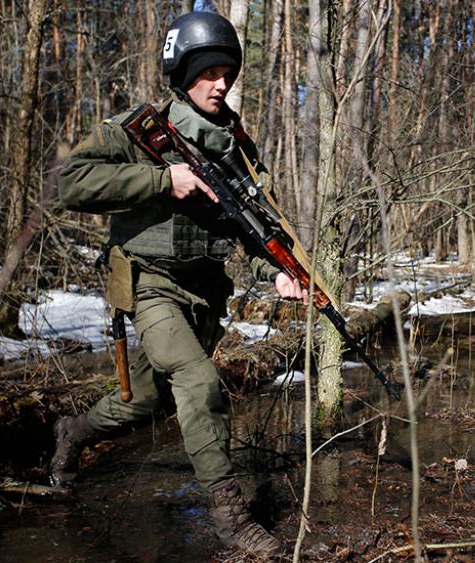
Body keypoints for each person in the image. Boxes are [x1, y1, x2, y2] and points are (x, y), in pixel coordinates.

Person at [52, 11, 303, 558]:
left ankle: (73, 433)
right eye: (209, 71)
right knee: (199, 381)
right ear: (183, 72)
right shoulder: (138, 129)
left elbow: (246, 232)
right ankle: (231, 519)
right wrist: (164, 179)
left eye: (227, 73)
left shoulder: (234, 146)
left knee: (145, 402)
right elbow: (69, 182)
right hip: (149, 284)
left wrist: (277, 273)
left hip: (205, 294)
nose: (221, 83)